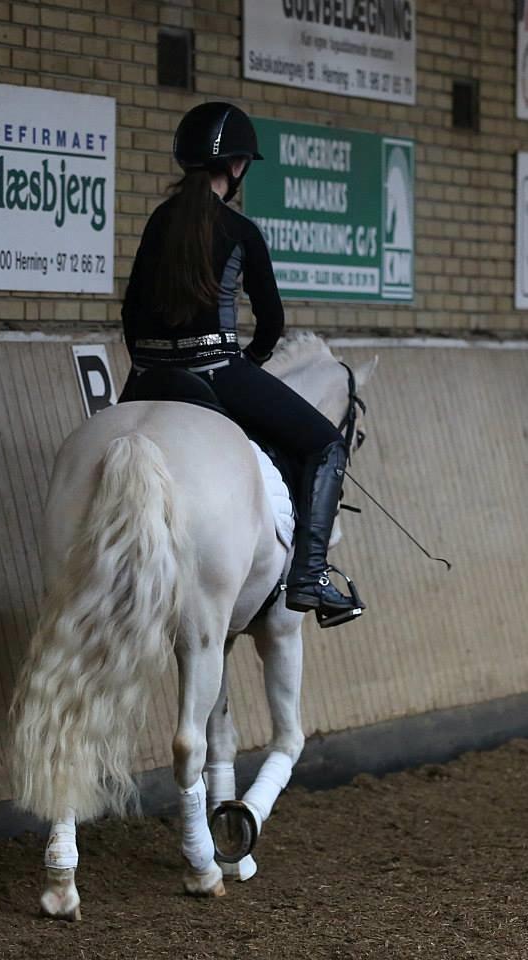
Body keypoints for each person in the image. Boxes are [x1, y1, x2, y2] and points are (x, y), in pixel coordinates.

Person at [118, 101, 364, 628]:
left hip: (146, 378)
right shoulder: (241, 231)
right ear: (235, 166)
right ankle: (310, 575)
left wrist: (147, 367)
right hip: (216, 373)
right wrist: (247, 362)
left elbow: (130, 313)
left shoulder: (158, 223)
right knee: (326, 444)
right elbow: (271, 322)